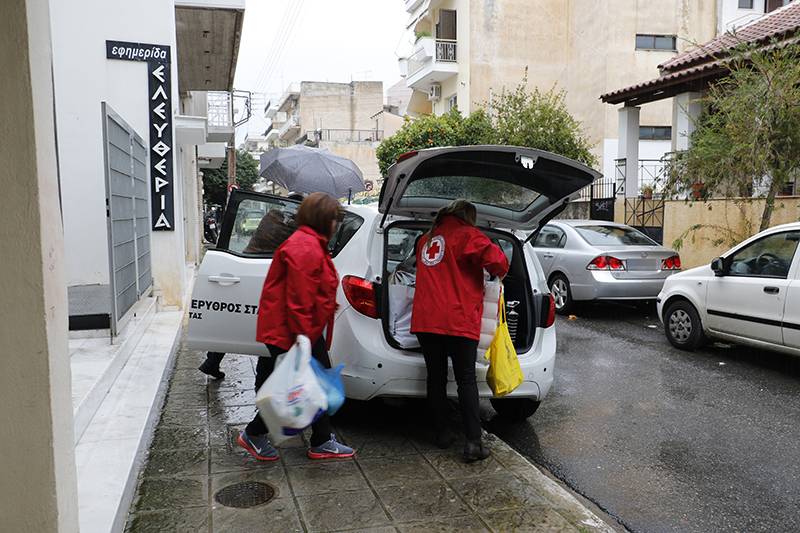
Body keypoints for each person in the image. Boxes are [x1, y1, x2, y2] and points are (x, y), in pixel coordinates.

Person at [237, 192, 354, 461]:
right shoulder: (305, 247)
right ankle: (254, 433)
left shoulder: (310, 243)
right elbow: (299, 299)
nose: (336, 224)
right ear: (324, 219)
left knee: (313, 384)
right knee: (298, 388)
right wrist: (303, 340)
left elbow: (311, 290)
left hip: (300, 329)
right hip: (296, 331)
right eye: (334, 219)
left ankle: (322, 439)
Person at [411, 199, 509, 463]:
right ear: (469, 217)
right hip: (458, 318)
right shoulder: (468, 235)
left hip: (426, 318)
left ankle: (442, 434)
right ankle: (473, 443)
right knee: (466, 379)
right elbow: (499, 263)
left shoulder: (426, 239)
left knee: (436, 378)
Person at [198, 194, 304, 380]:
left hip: (247, 265)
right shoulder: (287, 226)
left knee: (233, 321)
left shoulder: (272, 215)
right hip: (260, 269)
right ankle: (217, 362)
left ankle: (212, 360)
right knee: (260, 324)